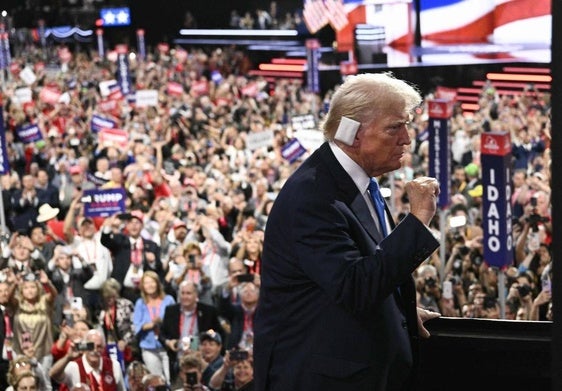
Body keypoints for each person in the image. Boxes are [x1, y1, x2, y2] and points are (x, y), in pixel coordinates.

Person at [253, 73, 441, 391]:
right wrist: (417, 221)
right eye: (395, 127)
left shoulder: (359, 180)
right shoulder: (313, 197)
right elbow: (354, 286)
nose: (407, 139)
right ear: (352, 133)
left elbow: (365, 267)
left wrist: (398, 312)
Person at [49, 328, 126, 390]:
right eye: (91, 346)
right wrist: (68, 357)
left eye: (99, 346)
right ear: (84, 347)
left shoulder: (114, 365)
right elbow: (53, 374)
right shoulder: (74, 367)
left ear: (103, 348)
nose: (95, 350)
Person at [133, 271, 175, 383]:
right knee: (158, 380)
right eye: (146, 283)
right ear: (142, 286)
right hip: (148, 348)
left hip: (167, 346)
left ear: (157, 283)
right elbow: (137, 325)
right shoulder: (140, 303)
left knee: (170, 380)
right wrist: (151, 324)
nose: (150, 285)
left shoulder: (169, 300)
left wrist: (162, 322)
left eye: (152, 282)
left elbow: (175, 321)